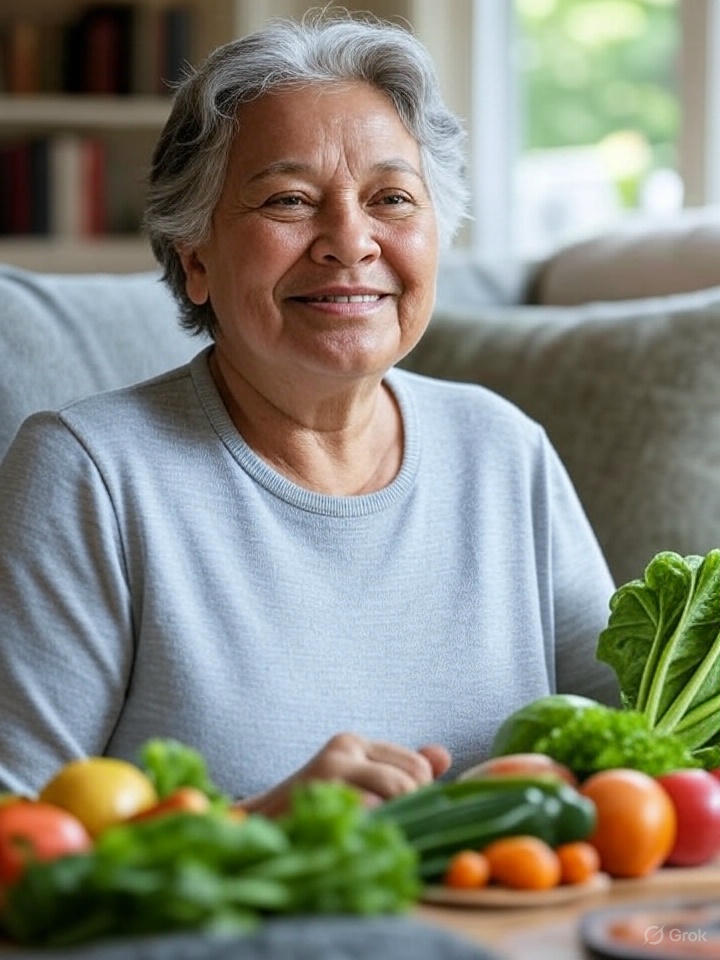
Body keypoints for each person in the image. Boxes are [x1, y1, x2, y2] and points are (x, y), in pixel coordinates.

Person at [0, 14, 617, 811]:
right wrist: (264, 826)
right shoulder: (88, 473)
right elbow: (16, 828)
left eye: (392, 197)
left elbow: (638, 751)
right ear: (196, 258)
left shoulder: (503, 448)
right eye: (290, 201)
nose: (350, 241)